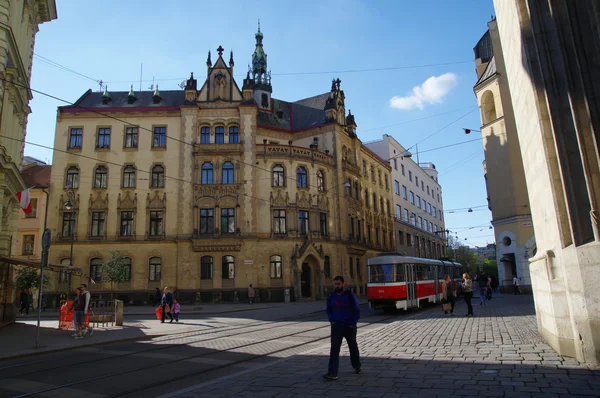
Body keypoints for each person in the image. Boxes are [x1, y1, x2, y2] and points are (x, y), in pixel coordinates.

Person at [323, 276, 361, 381]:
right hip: (336, 326)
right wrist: (332, 320)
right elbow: (329, 309)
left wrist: (353, 323)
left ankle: (357, 366)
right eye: (335, 284)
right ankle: (332, 373)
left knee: (352, 346)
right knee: (334, 349)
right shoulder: (331, 296)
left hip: (349, 326)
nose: (336, 286)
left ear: (343, 284)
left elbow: (356, 309)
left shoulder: (349, 295)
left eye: (338, 284)